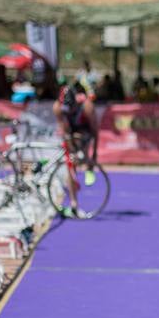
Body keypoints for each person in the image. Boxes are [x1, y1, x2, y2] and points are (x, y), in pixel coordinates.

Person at [53, 82, 97, 217]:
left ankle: (87, 166)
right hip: (71, 130)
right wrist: (70, 148)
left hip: (84, 129)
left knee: (80, 144)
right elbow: (64, 130)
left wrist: (94, 155)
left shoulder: (87, 106)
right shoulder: (57, 107)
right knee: (70, 165)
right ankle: (74, 203)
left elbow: (95, 131)